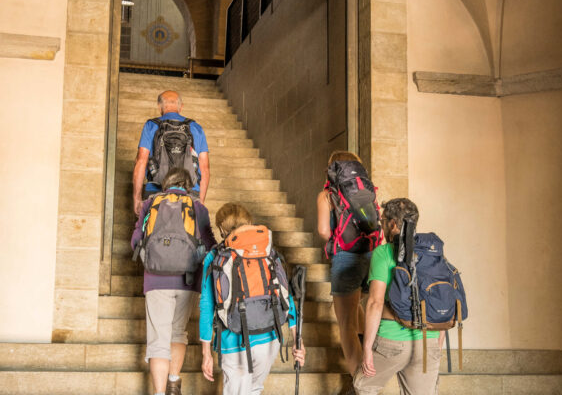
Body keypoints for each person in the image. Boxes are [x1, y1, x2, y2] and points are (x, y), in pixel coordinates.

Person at [199, 203, 305, 394]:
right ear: (248, 223)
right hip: (270, 337)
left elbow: (206, 306)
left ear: (222, 229)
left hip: (233, 339)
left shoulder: (215, 256)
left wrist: (206, 352)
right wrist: (298, 338)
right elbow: (284, 294)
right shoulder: (268, 252)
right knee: (254, 389)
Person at [131, 168, 216, 395]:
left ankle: (158, 393)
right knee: (178, 332)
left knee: (158, 338)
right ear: (189, 186)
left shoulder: (151, 204)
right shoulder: (197, 207)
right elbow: (210, 246)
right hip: (187, 280)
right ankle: (174, 384)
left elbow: (136, 240)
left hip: (155, 280)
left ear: (165, 184)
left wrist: (152, 260)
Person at [354, 198, 443, 395]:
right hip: (428, 341)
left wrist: (367, 348)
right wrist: (436, 344)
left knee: (364, 386)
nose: (382, 227)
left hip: (391, 341)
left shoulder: (384, 253)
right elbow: (441, 300)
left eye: (383, 222)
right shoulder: (433, 253)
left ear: (393, 223)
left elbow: (375, 303)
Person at [317, 151, 378, 375]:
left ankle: (360, 383)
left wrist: (336, 238)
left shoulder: (326, 195)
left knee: (346, 324)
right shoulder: (367, 190)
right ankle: (366, 369)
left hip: (345, 257)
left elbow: (324, 231)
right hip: (370, 255)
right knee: (357, 311)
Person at [133, 90, 210, 216]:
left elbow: (141, 161)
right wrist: (200, 201)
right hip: (189, 193)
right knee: (188, 234)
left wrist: (137, 199)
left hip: (155, 193)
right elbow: (205, 168)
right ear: (181, 107)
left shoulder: (151, 126)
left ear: (159, 106)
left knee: (151, 232)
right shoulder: (196, 128)